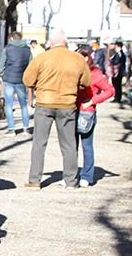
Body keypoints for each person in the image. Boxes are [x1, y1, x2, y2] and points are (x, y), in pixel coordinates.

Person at [22, 29, 91, 189]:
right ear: (65, 42)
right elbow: (86, 82)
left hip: (44, 103)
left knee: (39, 143)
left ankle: (35, 180)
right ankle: (71, 181)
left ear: (51, 42)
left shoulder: (42, 57)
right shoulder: (78, 59)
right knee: (68, 144)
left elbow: (27, 79)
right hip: (67, 104)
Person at [74, 44, 115, 187]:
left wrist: (92, 101)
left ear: (86, 58)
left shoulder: (96, 74)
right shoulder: (73, 71)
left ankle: (86, 176)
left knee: (87, 145)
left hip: (86, 113)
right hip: (71, 111)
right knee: (71, 146)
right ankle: (71, 176)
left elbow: (109, 90)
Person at [0, 31, 33, 136]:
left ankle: (11, 129)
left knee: (9, 105)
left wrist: (3, 75)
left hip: (9, 79)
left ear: (12, 38)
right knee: (24, 105)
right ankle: (26, 128)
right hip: (21, 79)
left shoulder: (7, 49)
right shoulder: (27, 49)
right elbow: (31, 65)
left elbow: (1, 64)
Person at [108, 40, 128, 107]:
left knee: (117, 85)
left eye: (116, 46)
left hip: (118, 72)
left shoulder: (118, 53)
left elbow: (116, 62)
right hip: (120, 72)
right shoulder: (122, 53)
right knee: (118, 85)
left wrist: (111, 60)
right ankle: (117, 97)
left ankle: (117, 98)